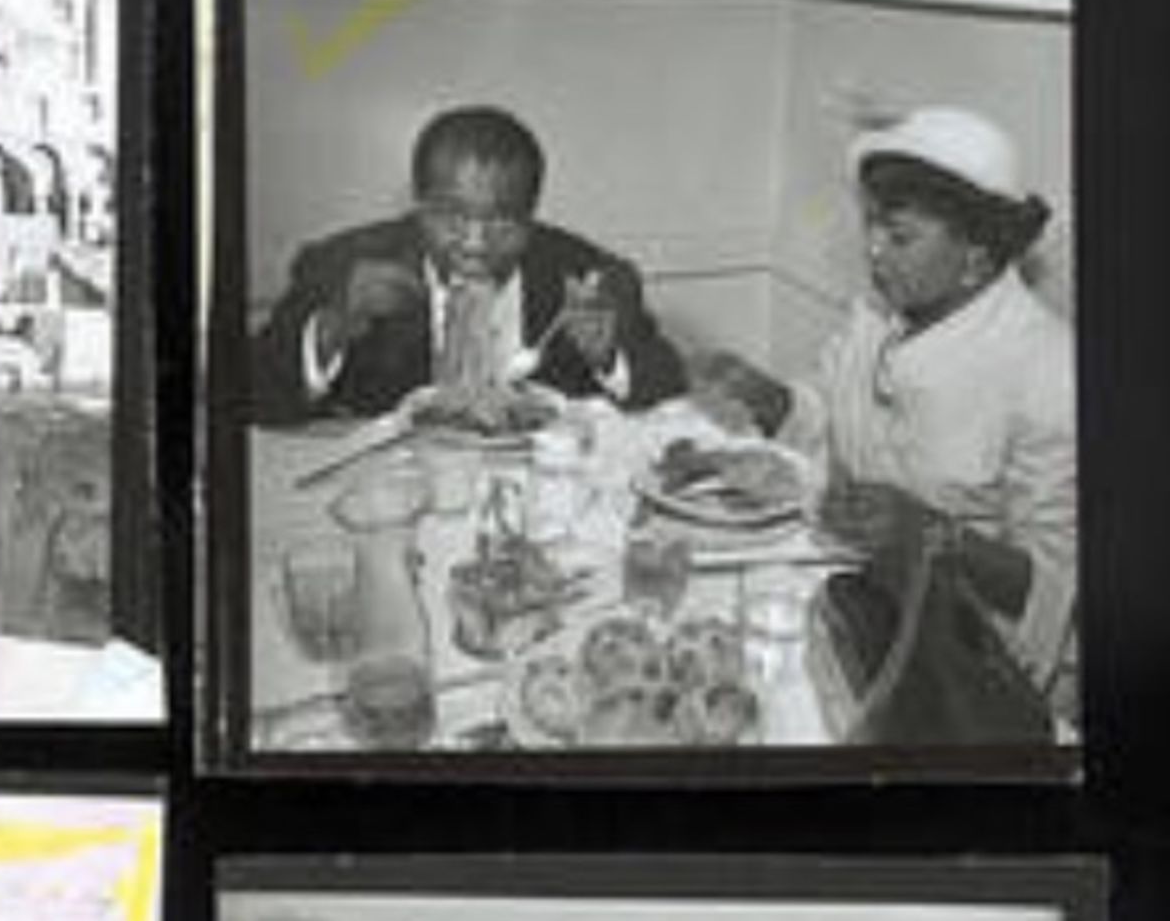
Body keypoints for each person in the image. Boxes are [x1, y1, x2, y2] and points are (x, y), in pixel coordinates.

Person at [697, 106, 1076, 718]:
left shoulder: (1049, 371)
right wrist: (771, 399)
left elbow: (1059, 593)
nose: (873, 251)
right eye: (871, 225)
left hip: (967, 667)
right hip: (854, 600)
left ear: (978, 255)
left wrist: (933, 535)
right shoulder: (879, 312)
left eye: (899, 236)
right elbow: (823, 412)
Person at [250, 105, 686, 425]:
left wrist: (610, 356)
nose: (475, 243)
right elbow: (249, 396)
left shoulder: (587, 275)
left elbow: (670, 391)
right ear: (419, 207)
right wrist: (333, 327)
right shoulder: (341, 265)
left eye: (502, 219)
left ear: (531, 216)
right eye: (451, 215)